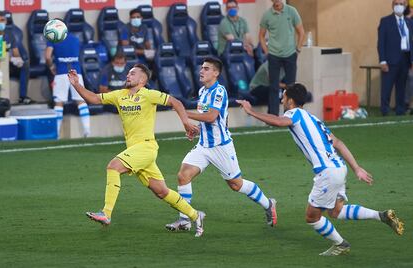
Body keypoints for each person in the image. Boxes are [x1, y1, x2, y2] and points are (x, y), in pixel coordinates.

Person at [236, 83, 404, 256]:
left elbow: (279, 122)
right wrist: (356, 168)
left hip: (327, 173)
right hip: (339, 168)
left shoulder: (294, 113)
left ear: (291, 100)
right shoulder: (314, 119)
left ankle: (341, 244)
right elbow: (338, 143)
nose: (282, 99)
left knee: (311, 217)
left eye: (284, 96)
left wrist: (251, 112)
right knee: (336, 211)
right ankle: (382, 215)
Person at [67, 63, 206, 237]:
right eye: (128, 73)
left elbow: (175, 102)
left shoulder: (148, 95)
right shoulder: (119, 95)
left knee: (113, 166)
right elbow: (94, 99)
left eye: (132, 74)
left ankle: (106, 213)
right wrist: (76, 84)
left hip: (146, 147)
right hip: (136, 151)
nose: (127, 76)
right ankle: (195, 215)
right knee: (161, 191)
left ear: (142, 79)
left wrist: (186, 123)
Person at [165, 57, 277, 232]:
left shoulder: (219, 91)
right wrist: (196, 130)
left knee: (236, 185)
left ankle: (268, 204)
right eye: (202, 68)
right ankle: (184, 220)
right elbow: (206, 121)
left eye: (207, 68)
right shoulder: (202, 91)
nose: (201, 71)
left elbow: (211, 116)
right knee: (183, 176)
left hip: (220, 147)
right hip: (204, 146)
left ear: (216, 73)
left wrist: (185, 114)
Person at [259, 0, 305, 115]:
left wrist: (298, 49)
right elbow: (261, 35)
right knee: (273, 87)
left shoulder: (291, 11)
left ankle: (289, 115)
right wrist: (266, 51)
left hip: (290, 54)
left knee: (291, 88)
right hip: (273, 55)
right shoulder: (267, 15)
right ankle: (273, 116)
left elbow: (301, 32)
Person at [45, 30, 91, 137]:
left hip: (61, 72)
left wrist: (51, 67)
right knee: (81, 101)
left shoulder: (53, 39)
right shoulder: (75, 38)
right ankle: (87, 131)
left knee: (59, 103)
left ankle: (56, 133)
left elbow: (47, 56)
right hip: (76, 72)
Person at [377, 0, 413, 116]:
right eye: (396, 4)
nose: (399, 6)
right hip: (390, 60)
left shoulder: (409, 22)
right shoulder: (385, 21)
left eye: (401, 4)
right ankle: (385, 111)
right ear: (392, 5)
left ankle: (400, 110)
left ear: (406, 6)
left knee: (401, 88)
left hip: (405, 59)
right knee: (386, 88)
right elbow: (381, 43)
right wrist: (382, 61)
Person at [0, 11, 32, 104]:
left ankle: (23, 97)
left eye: (3, 20)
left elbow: (15, 51)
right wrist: (11, 59)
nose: (1, 23)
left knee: (25, 66)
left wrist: (18, 60)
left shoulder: (9, 34)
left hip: (6, 64)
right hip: (1, 64)